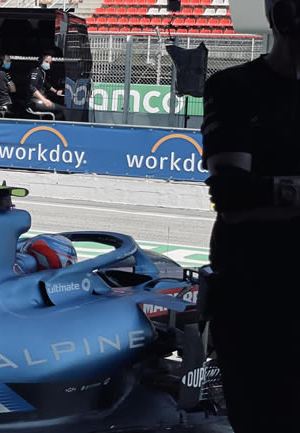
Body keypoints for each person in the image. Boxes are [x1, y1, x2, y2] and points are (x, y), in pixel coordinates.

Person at [201, 1, 300, 432]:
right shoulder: (235, 86)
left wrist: (276, 191)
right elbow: (233, 196)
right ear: (284, 16)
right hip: (255, 297)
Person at [26, 53, 65, 119]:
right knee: (63, 109)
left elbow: (46, 84)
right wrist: (44, 100)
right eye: (46, 62)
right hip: (34, 101)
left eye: (50, 62)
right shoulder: (36, 72)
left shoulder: (42, 72)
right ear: (40, 61)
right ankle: (52, 127)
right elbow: (32, 87)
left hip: (39, 100)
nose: (48, 64)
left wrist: (56, 91)